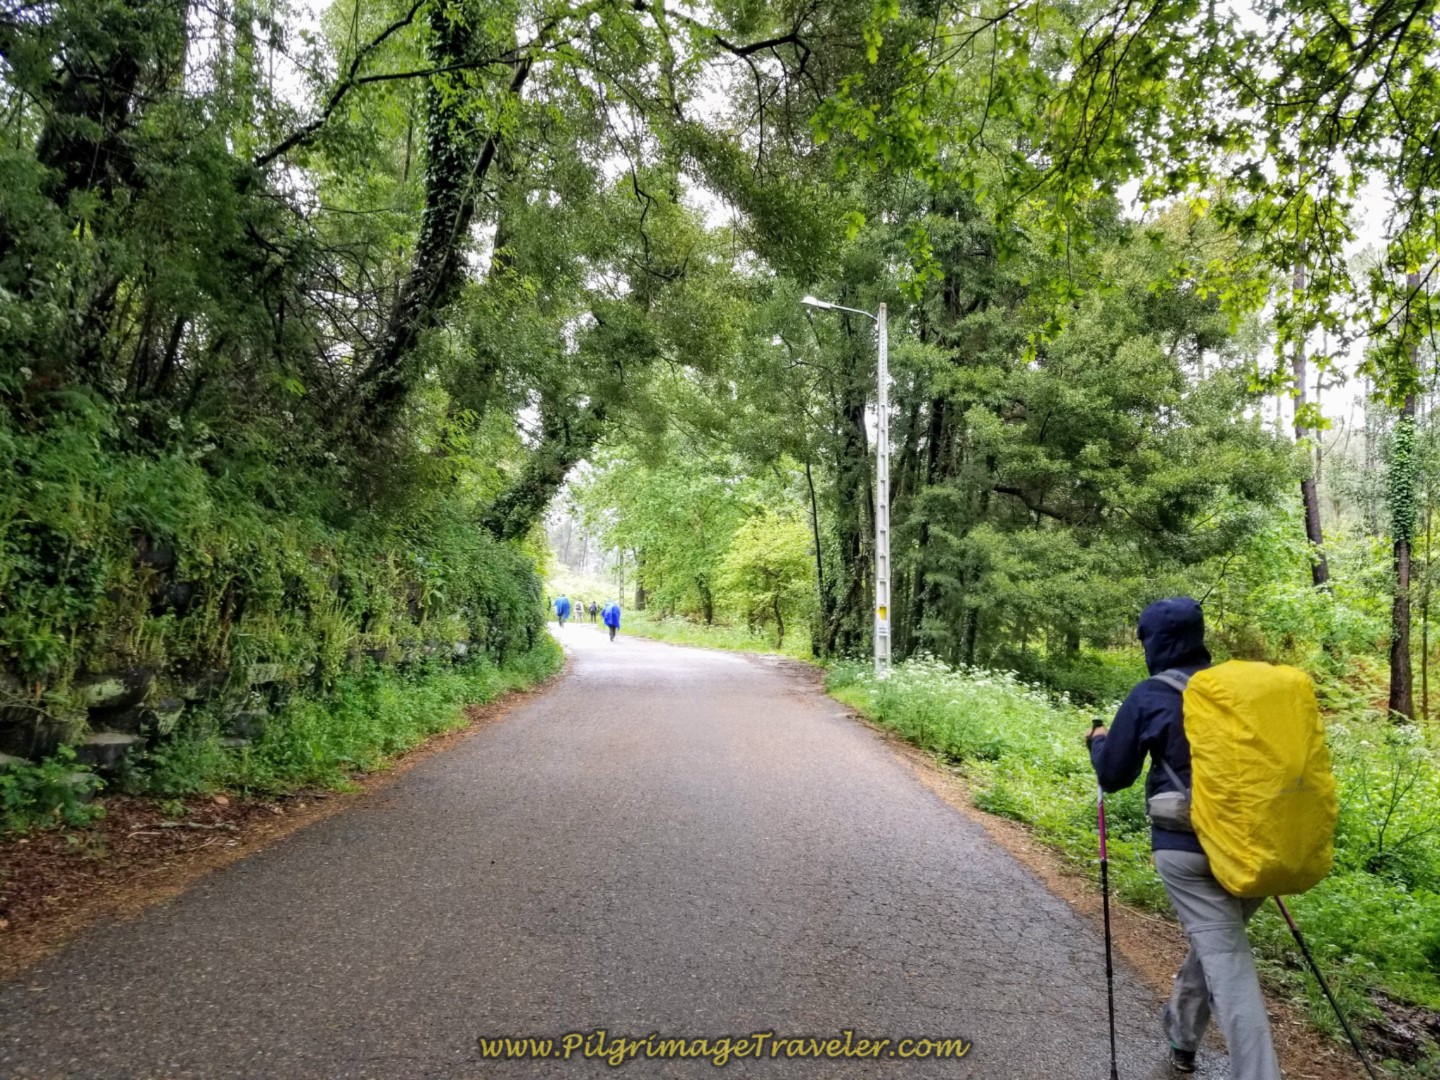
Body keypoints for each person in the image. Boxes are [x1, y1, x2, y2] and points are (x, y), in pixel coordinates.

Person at [1087, 597, 1281, 1079]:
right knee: (1217, 943)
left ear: (1155, 642)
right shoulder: (1238, 692)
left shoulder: (1151, 694)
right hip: (1256, 848)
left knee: (1225, 957)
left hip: (1188, 852)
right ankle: (1183, 1037)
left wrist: (1098, 742)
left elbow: (1114, 775)